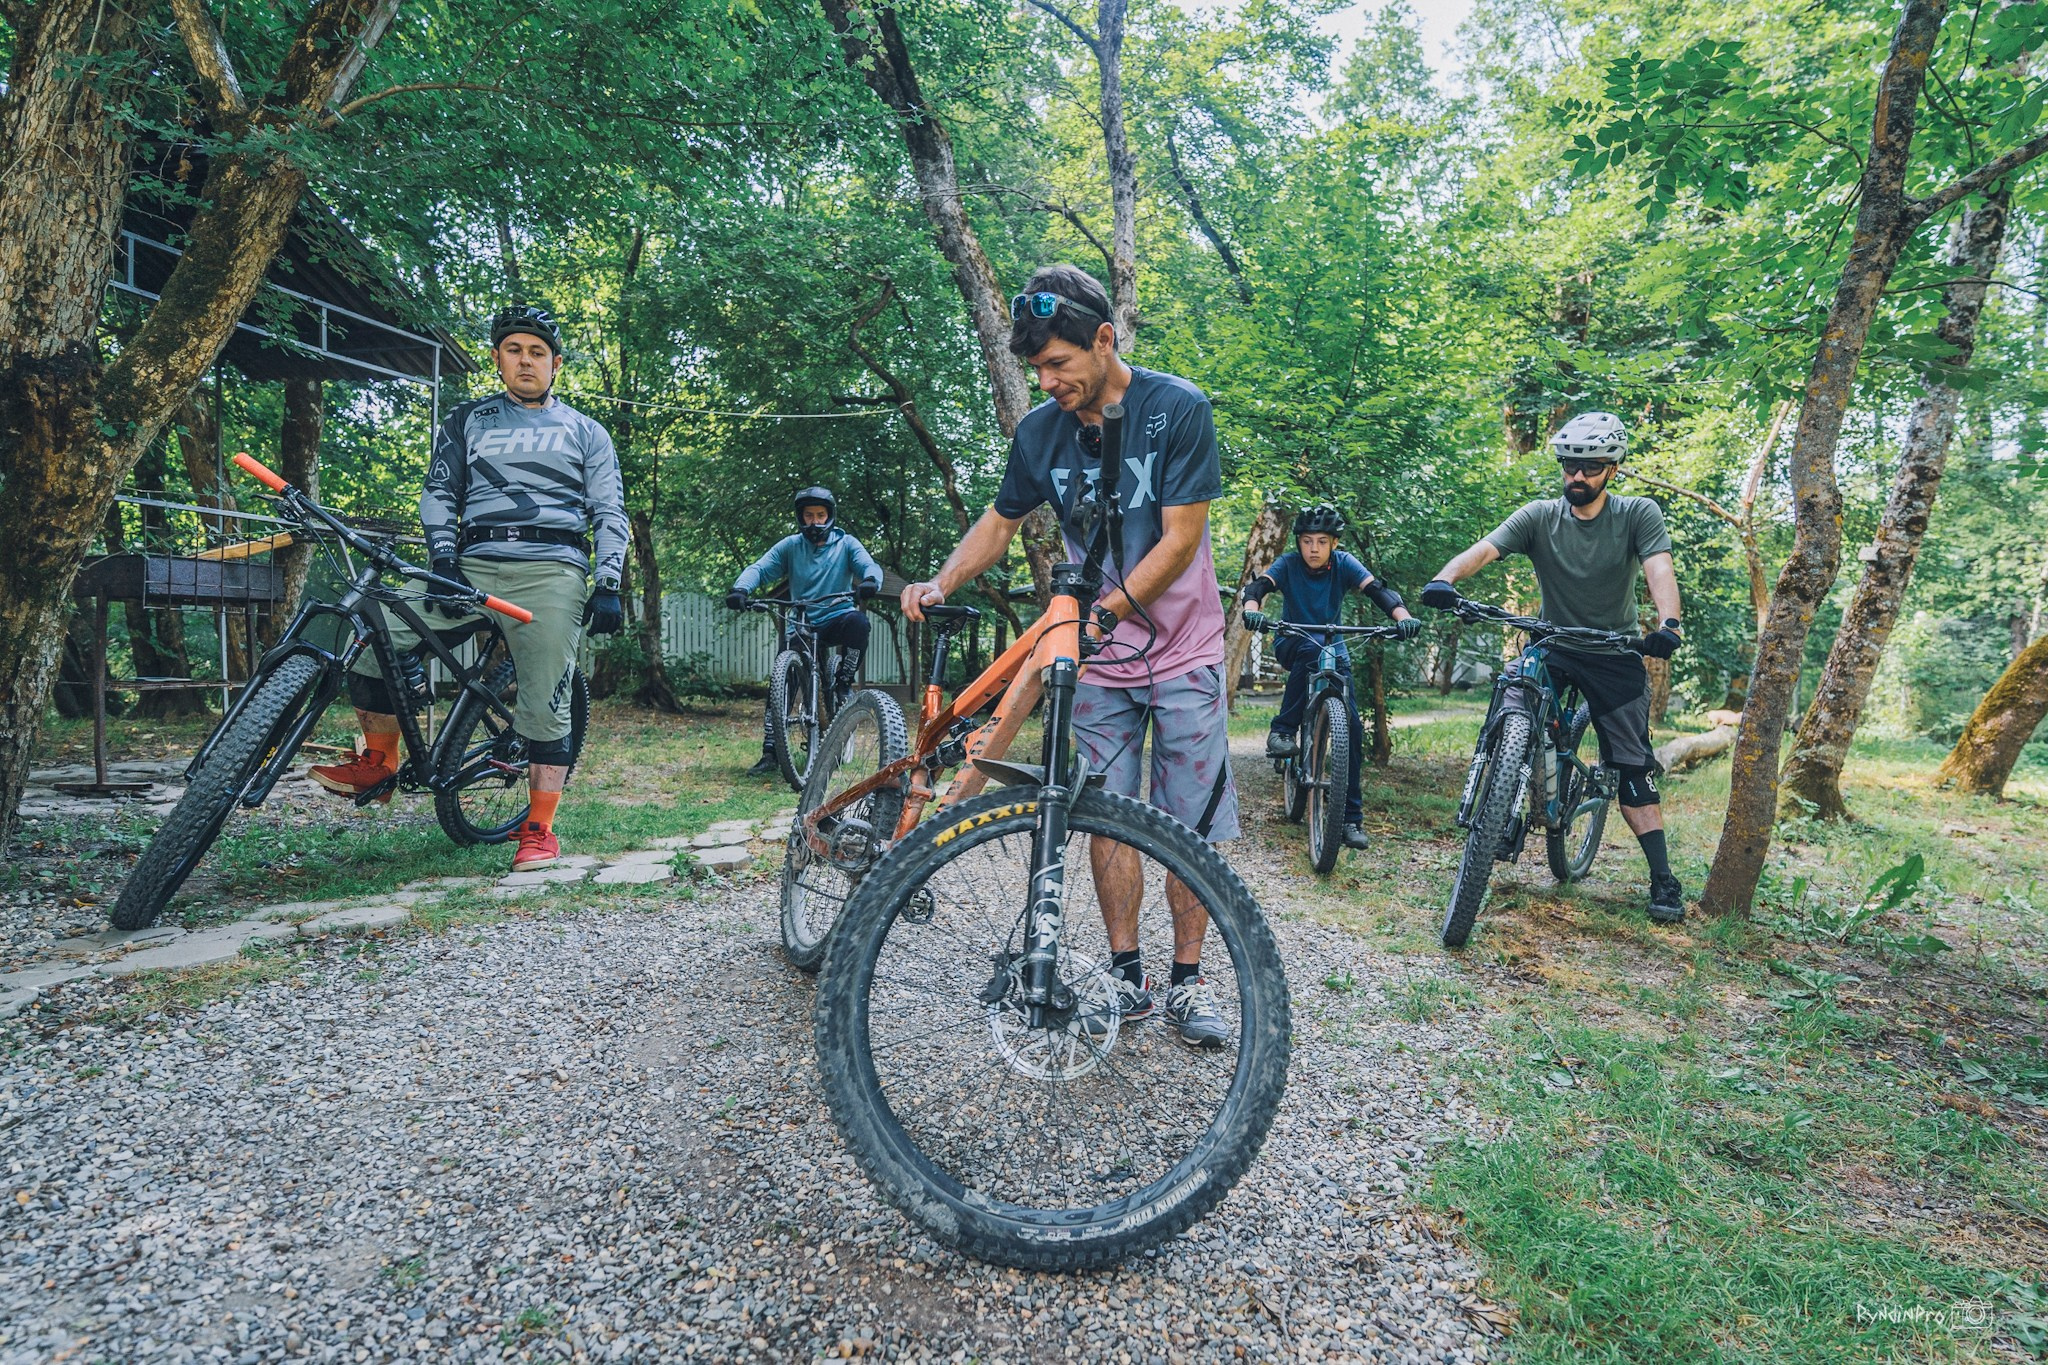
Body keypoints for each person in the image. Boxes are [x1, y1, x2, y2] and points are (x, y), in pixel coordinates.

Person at [899, 263, 1238, 1049]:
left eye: (1059, 363)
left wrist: (1105, 611)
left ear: (1105, 339)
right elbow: (999, 521)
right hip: (1102, 663)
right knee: (1106, 817)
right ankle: (1128, 975)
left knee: (1187, 827)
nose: (1047, 381)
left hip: (1184, 651)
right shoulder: (1039, 434)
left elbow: (1182, 540)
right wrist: (942, 576)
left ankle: (1188, 983)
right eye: (1037, 368)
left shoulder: (1176, 408)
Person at [308, 303, 627, 873]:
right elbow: (438, 492)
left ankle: (539, 830)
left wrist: (608, 582)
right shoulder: (468, 420)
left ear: (555, 364)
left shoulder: (586, 431)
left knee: (544, 699)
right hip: (470, 563)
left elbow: (609, 509)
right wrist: (443, 556)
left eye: (537, 353)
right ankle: (378, 762)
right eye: (514, 350)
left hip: (552, 569)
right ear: (498, 359)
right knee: (376, 628)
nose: (525, 361)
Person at [1418, 410, 1687, 922]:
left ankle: (1662, 879)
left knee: (1631, 767)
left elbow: (1659, 568)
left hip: (1615, 651)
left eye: (1589, 468)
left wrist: (1668, 624)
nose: (1577, 478)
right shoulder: (1541, 515)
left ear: (1612, 469)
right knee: (1514, 687)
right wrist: (1444, 579)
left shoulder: (1637, 514)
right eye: (1569, 467)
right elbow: (1487, 548)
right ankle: (1499, 798)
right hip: (1554, 642)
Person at [1240, 504, 1422, 851]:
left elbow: (1377, 590)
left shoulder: (1344, 563)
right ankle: (1281, 731)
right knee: (1310, 654)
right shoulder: (1290, 564)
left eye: (1321, 541)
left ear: (1333, 543)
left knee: (1351, 727)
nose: (1313, 548)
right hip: (1293, 639)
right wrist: (1253, 611)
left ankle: (1350, 818)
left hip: (1334, 645)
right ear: (1299, 542)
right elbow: (1258, 587)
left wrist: (1403, 616)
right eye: (1307, 541)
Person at [728, 487, 883, 777]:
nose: (814, 522)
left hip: (837, 615)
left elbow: (868, 565)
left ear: (830, 517)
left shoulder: (846, 544)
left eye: (820, 515)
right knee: (782, 682)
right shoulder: (791, 546)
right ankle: (771, 752)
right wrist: (741, 588)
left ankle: (843, 681)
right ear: (801, 518)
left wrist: (871, 581)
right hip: (803, 622)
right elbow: (760, 568)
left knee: (859, 624)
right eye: (808, 516)